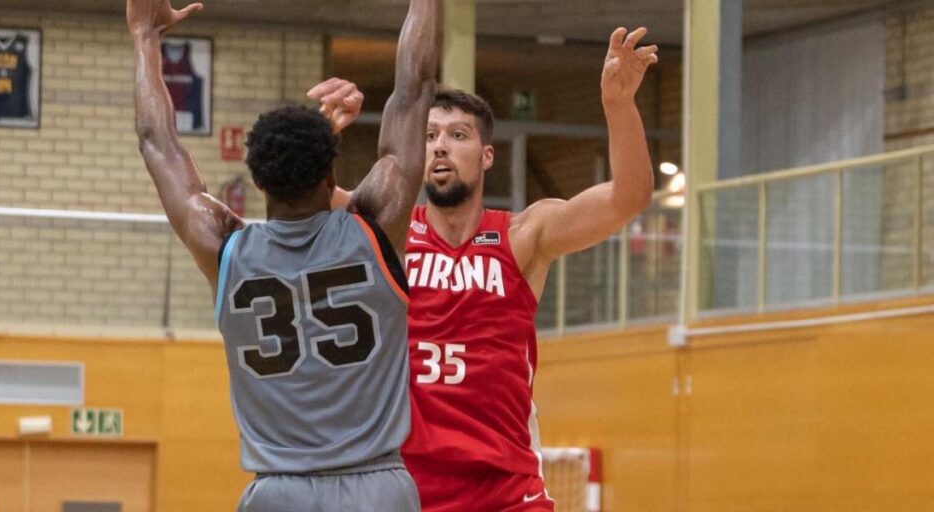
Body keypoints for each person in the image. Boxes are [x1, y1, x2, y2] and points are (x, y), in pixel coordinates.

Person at [324, 26, 658, 511]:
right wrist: (324, 134)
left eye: (457, 135)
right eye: (429, 136)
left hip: (507, 490)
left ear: (486, 157)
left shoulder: (524, 235)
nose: (440, 146)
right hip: (405, 489)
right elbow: (307, 199)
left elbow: (628, 198)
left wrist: (619, 103)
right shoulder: (389, 231)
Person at [126, 0, 438, 509]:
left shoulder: (223, 247)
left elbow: (156, 142)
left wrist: (144, 33)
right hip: (376, 486)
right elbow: (415, 89)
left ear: (257, 181)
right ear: (330, 174)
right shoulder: (373, 226)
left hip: (278, 490)